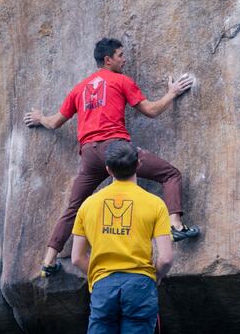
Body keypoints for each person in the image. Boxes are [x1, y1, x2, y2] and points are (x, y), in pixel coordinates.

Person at [23, 37, 199, 276]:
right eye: (120, 55)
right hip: (115, 149)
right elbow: (151, 110)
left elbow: (54, 122)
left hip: (89, 155)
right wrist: (172, 93)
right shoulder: (120, 81)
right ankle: (176, 225)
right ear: (108, 59)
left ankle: (48, 261)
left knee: (74, 207)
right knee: (170, 174)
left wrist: (39, 117)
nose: (124, 60)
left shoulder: (79, 88)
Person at [71, 140, 174, 334]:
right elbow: (166, 257)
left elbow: (77, 257)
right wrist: (152, 278)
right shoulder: (154, 204)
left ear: (107, 170)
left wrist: (100, 277)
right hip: (139, 286)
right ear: (139, 166)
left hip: (103, 286)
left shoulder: (88, 205)